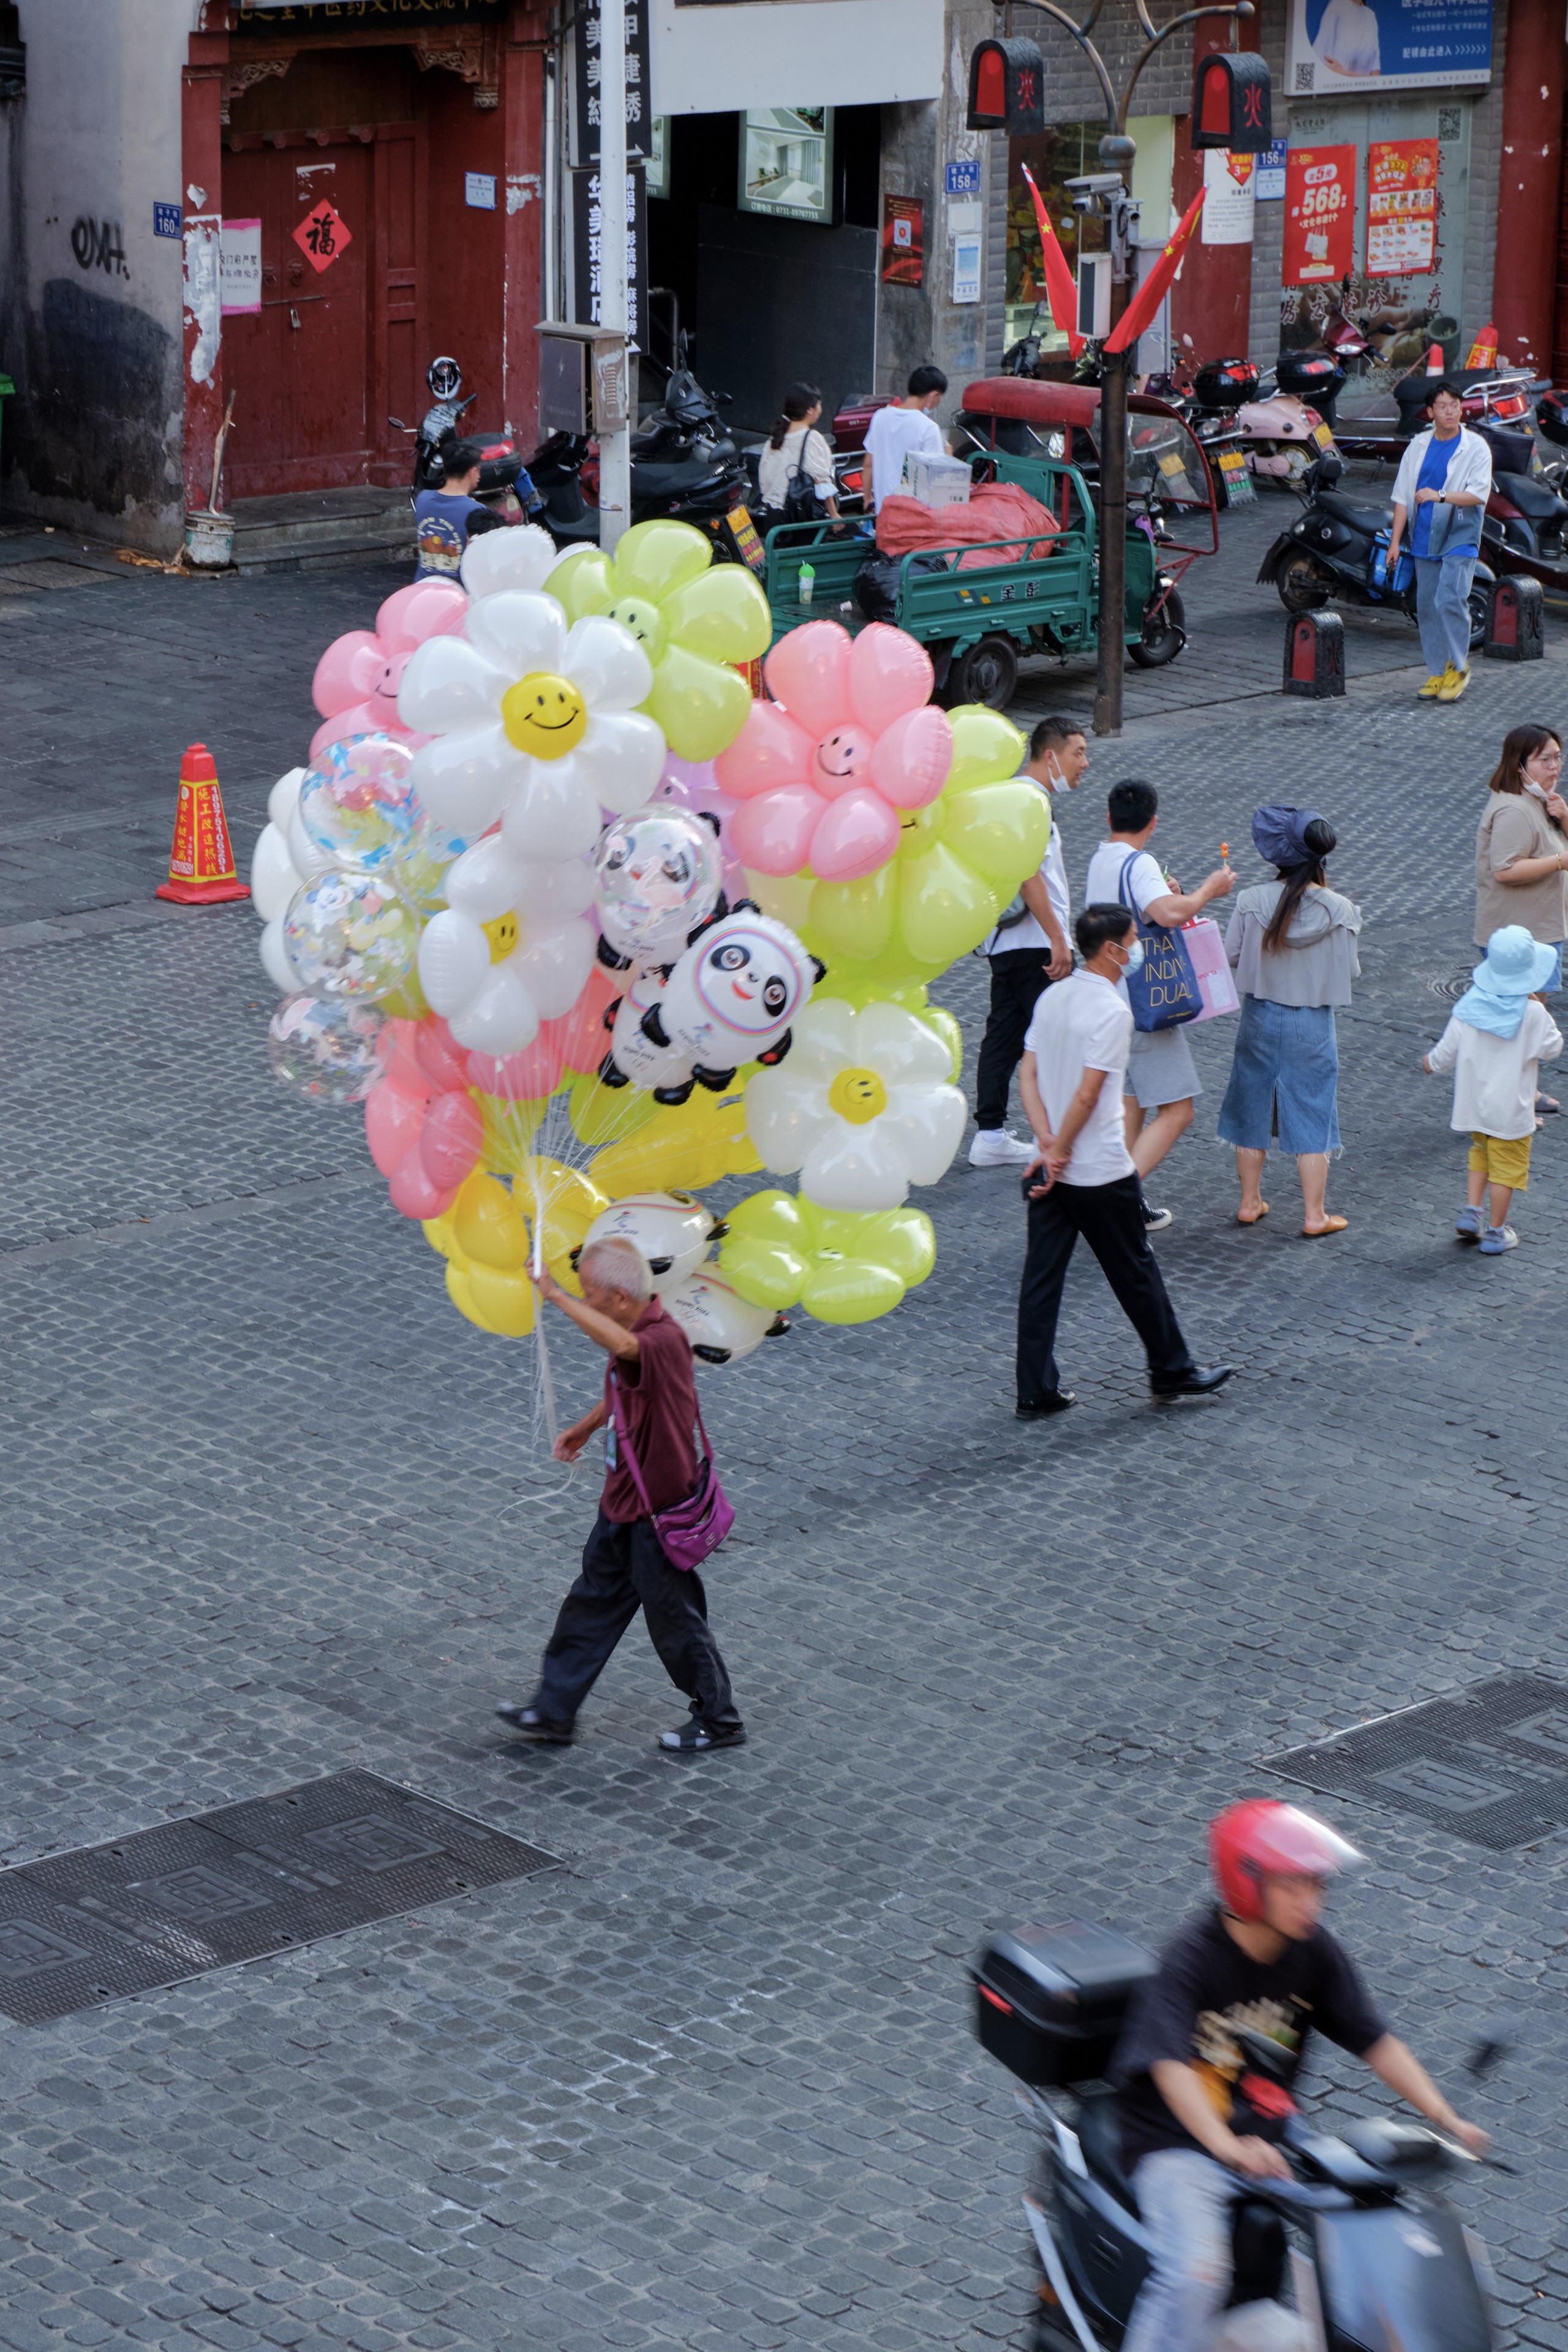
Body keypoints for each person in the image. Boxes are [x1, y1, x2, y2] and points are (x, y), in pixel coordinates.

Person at [1112, 1799, 1490, 2352]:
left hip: (1271, 2138)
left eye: (1317, 1886)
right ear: (1247, 1884)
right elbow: (1170, 2066)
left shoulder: (1312, 1952)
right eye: (1294, 1886)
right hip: (1176, 2147)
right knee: (1197, 2273)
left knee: (1378, 2223)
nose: (1311, 1901)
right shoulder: (1191, 1960)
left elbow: (1375, 2040)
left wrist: (1442, 2115)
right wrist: (1226, 2145)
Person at [495, 1239, 745, 1755]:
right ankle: (554, 1711)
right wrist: (586, 1428)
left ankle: (720, 1720)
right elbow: (622, 1386)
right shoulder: (634, 1332)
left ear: (620, 1298)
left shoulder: (662, 1340)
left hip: (656, 1515)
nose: (586, 1302)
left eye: (591, 1295)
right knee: (589, 1605)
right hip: (624, 1504)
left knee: (675, 1621)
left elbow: (630, 1355)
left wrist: (556, 1295)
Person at [1015, 901, 1232, 1417]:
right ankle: (1171, 1370)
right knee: (1137, 1274)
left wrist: (1046, 1143)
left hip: (1051, 1168)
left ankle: (1034, 1388)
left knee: (1041, 1280)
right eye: (1134, 940)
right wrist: (1064, 1148)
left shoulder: (1053, 997)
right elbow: (1089, 1096)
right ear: (1113, 951)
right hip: (1100, 1170)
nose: (1139, 947)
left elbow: (1028, 1074)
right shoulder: (1113, 1012)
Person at [1083, 780, 1235, 1232]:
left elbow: (1143, 910)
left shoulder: (1100, 859)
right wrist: (1209, 889)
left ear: (1110, 819)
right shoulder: (1140, 862)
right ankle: (1115, 1200)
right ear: (1153, 823)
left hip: (1108, 998)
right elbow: (1168, 915)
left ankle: (1124, 1204)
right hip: (1143, 1006)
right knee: (1179, 1109)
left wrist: (1164, 894)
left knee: (1132, 1105)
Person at [1217, 805, 1360, 1237]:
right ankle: (1315, 1215)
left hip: (1260, 1018)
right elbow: (1350, 971)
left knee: (1251, 1107)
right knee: (1314, 1112)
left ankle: (1249, 1202)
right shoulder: (1343, 909)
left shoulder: (1250, 900)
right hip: (1313, 1025)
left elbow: (1229, 957)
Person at [969, 715, 1088, 1168]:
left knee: (1004, 1036)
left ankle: (991, 1134)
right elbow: (1026, 872)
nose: (1085, 763)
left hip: (1008, 943)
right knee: (1061, 1038)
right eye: (1078, 752)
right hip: (1035, 943)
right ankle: (1061, 1136)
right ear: (1051, 755)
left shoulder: (1014, 798)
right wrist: (1059, 939)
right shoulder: (1028, 802)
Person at [1423, 925, 1563, 1255]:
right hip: (1511, 1112)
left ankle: (1472, 1212)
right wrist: (1540, 1013)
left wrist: (1430, 1062)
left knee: (1481, 1154)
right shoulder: (1533, 1013)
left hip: (1474, 1108)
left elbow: (1445, 1052)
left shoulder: (1469, 1005)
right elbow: (1553, 1048)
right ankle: (1497, 1233)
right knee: (1508, 1170)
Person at [1474, 723, 1568, 1116]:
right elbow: (1505, 869)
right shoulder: (1514, 809)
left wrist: (1565, 819)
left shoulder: (1542, 802)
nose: (1555, 767)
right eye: (1545, 760)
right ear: (1520, 765)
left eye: (1558, 758)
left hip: (1540, 932)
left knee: (1529, 1022)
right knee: (1513, 1025)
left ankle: (1523, 1092)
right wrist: (1561, 860)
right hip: (1518, 938)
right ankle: (1504, 1104)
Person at [1385, 380, 1491, 704]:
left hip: (1460, 532)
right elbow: (1403, 497)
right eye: (1443, 406)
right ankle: (1437, 671)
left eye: (1455, 406)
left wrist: (1441, 496)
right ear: (1430, 412)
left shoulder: (1475, 447)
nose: (1450, 412)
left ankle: (1459, 667)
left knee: (1450, 598)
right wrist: (1394, 542)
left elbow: (1477, 495)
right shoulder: (1418, 446)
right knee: (1427, 607)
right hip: (1424, 536)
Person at [413, 438, 508, 580]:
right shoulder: (477, 511)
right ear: (473, 471)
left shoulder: (422, 499)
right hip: (457, 595)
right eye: (479, 469)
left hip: (422, 589)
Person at [862, 365, 948, 514]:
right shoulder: (929, 428)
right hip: (912, 517)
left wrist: (867, 498)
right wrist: (948, 456)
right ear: (933, 396)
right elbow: (937, 481)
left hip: (883, 513)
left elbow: (868, 464)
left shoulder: (880, 417)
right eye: (939, 399)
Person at [755, 383, 840, 530]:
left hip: (774, 519)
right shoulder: (812, 438)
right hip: (801, 519)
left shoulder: (774, 439)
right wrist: (834, 515)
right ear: (809, 410)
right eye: (819, 404)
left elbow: (765, 481)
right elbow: (822, 482)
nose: (820, 409)